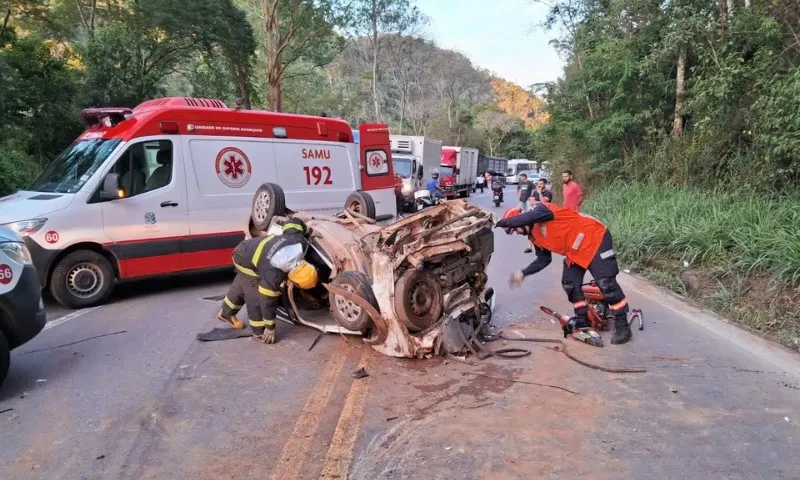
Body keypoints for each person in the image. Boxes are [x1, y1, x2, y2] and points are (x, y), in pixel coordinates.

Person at [495, 203, 633, 345]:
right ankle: (582, 320)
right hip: (575, 250)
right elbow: (543, 260)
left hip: (594, 237)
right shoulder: (534, 237)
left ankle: (623, 326)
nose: (517, 233)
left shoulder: (541, 211)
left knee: (606, 284)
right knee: (570, 284)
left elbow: (529, 216)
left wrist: (502, 222)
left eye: (515, 229)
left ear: (521, 220)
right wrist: (523, 273)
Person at [217, 218, 319, 344]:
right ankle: (258, 331)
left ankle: (226, 312)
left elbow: (292, 224)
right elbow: (267, 302)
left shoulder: (299, 243)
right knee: (254, 291)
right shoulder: (273, 275)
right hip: (242, 257)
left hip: (251, 247)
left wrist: (306, 229)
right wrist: (270, 328)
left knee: (244, 280)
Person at [523, 178, 553, 253]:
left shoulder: (548, 193)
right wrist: (532, 200)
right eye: (538, 183)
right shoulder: (535, 192)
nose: (539, 185)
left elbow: (544, 202)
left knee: (542, 231)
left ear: (545, 184)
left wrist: (538, 195)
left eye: (541, 184)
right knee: (531, 229)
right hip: (534, 213)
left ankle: (544, 246)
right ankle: (529, 247)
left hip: (544, 214)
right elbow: (531, 201)